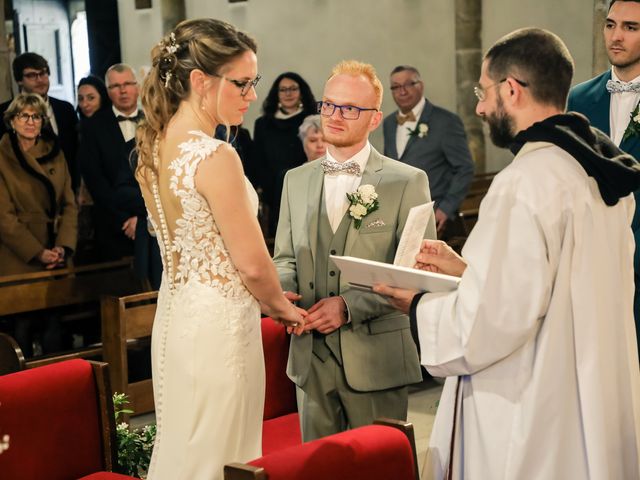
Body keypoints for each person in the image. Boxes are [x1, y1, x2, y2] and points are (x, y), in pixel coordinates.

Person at [374, 27, 640, 479]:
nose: (479, 106)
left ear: (511, 89)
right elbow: (557, 279)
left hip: (532, 400)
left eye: (483, 90)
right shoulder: (596, 175)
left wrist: (418, 305)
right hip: (587, 385)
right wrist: (468, 270)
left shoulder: (524, 181)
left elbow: (490, 323)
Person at [135, 19, 305, 480]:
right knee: (223, 456)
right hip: (221, 328)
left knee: (186, 446)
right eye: (242, 83)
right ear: (199, 81)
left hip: (175, 318)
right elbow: (251, 263)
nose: (252, 95)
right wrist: (282, 308)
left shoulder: (152, 146)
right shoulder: (215, 155)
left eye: (255, 83)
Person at [273, 60, 437, 442]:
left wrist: (348, 306)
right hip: (308, 359)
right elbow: (284, 257)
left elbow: (414, 273)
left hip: (376, 357)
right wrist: (283, 293)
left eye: (349, 108)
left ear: (375, 118)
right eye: (328, 104)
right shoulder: (294, 181)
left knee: (378, 468)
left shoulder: (406, 181)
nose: (334, 116)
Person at [568, 0, 640, 354]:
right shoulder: (578, 99)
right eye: (610, 25)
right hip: (592, 265)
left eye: (631, 27)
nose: (616, 36)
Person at [0, 93, 77, 355]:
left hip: (55, 250)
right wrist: (38, 252)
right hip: (19, 255)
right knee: (23, 324)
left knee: (55, 324)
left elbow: (69, 203)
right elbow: (4, 217)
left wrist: (63, 247)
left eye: (36, 116)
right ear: (12, 121)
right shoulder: (2, 156)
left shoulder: (54, 152)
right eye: (24, 116)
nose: (30, 122)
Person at [78, 64, 161, 288]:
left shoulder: (155, 121)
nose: (122, 91)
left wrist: (144, 217)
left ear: (137, 87)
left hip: (153, 222)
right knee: (122, 291)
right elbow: (95, 180)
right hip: (114, 223)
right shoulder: (93, 126)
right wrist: (127, 218)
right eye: (115, 86)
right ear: (107, 91)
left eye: (127, 84)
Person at [383, 65, 474, 235]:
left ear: (421, 85)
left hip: (436, 217)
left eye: (408, 84)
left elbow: (465, 168)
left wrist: (445, 209)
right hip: (399, 218)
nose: (402, 91)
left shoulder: (446, 121)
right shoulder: (388, 124)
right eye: (396, 87)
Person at [0, 52, 79, 191]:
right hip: (22, 192)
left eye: (43, 73)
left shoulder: (65, 109)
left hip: (64, 189)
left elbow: (74, 152)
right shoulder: (5, 112)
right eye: (31, 75)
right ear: (19, 80)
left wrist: (76, 187)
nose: (40, 79)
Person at [253, 72, 316, 236]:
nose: (288, 93)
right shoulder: (263, 123)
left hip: (306, 188)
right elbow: (258, 160)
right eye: (283, 90)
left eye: (293, 89)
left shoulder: (312, 120)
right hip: (274, 192)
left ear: (301, 92)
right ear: (277, 94)